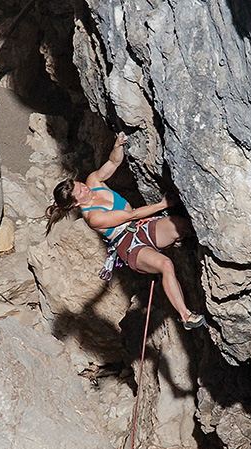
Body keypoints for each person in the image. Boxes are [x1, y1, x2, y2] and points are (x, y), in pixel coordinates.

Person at [45, 132, 205, 330]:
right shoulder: (93, 217)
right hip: (128, 245)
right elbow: (131, 215)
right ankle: (186, 316)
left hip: (139, 228)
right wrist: (162, 204)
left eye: (80, 184)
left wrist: (118, 145)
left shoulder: (93, 181)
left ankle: (181, 242)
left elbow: (113, 163)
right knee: (166, 264)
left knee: (181, 225)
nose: (85, 188)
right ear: (77, 203)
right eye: (81, 191)